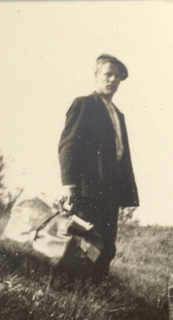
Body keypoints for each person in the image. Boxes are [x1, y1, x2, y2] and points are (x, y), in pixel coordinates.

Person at [58, 54, 138, 282]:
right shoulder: (84, 104)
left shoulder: (117, 114)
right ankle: (75, 289)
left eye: (117, 77)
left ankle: (98, 288)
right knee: (84, 241)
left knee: (106, 243)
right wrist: (69, 184)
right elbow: (67, 145)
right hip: (87, 190)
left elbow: (121, 155)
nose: (112, 80)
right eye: (108, 74)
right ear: (96, 76)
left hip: (110, 193)